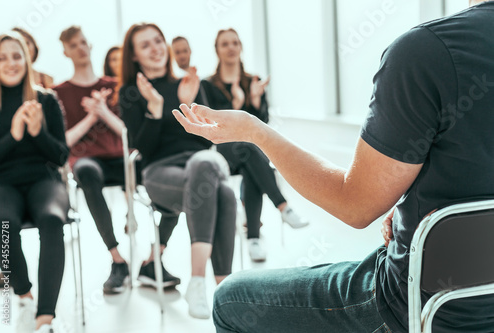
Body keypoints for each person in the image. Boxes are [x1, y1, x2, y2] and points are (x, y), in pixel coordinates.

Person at [173, 1, 494, 331]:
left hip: (422, 309)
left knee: (229, 300)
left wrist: (255, 129)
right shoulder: (209, 83)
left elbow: (355, 206)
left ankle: (279, 208)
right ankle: (278, 211)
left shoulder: (426, 52)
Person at [119, 22, 236, 319]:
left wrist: (188, 103)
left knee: (213, 177)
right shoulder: (131, 92)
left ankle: (213, 288)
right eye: (145, 45)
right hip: (160, 173)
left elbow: (210, 137)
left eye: (158, 40)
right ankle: (218, 287)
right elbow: (142, 149)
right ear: (134, 56)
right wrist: (155, 109)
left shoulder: (190, 83)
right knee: (216, 182)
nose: (156, 48)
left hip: (202, 170)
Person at [54, 26, 181, 295]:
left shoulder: (116, 87)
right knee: (86, 171)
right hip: (89, 162)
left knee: (167, 170)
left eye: (84, 42)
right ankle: (117, 260)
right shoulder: (59, 93)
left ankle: (153, 259)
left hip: (123, 159)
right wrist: (91, 117)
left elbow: (130, 134)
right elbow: (63, 142)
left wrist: (102, 110)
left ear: (90, 45)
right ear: (65, 51)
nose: (80, 48)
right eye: (74, 45)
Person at [201, 28, 308, 262]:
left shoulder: (253, 81)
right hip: (223, 151)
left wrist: (256, 100)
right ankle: (283, 207)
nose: (231, 47)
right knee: (250, 149)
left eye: (235, 43)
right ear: (217, 50)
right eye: (225, 44)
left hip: (250, 153)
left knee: (252, 166)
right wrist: (236, 104)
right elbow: (212, 125)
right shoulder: (207, 85)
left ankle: (254, 240)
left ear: (241, 47)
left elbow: (263, 124)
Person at [0, 32, 69, 333]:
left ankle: (45, 318)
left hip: (43, 180)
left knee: (52, 219)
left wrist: (38, 132)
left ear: (26, 59)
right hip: (1, 184)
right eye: (1, 57)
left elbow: (61, 156)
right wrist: (14, 135)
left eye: (16, 55)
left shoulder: (46, 100)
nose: (10, 63)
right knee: (2, 222)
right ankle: (23, 293)